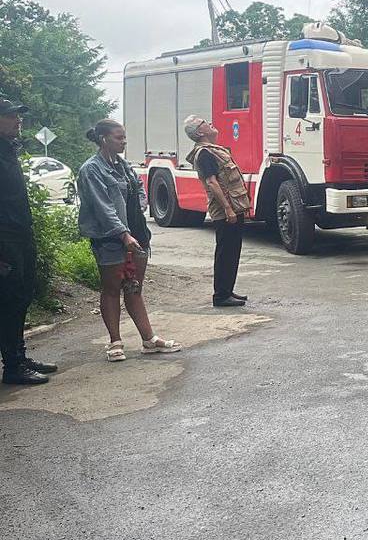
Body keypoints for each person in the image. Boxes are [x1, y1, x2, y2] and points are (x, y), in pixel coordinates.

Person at [77, 120, 181, 362]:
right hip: (111, 239)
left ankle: (149, 339)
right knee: (112, 289)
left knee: (134, 287)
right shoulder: (92, 170)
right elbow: (102, 207)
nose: (123, 141)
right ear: (104, 139)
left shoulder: (123, 166)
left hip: (138, 235)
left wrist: (140, 212)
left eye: (124, 137)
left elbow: (140, 190)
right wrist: (123, 234)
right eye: (118, 137)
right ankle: (115, 342)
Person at [0, 98, 57, 385]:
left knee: (21, 296)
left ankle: (19, 357)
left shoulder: (9, 150)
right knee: (9, 300)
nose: (17, 121)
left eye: (17, 116)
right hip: (4, 240)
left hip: (21, 235)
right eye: (10, 116)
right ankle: (12, 366)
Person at [182, 115, 250, 307]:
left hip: (233, 206)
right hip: (224, 209)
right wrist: (228, 209)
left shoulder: (214, 150)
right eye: (206, 123)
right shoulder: (204, 153)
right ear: (200, 132)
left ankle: (227, 291)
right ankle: (220, 296)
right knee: (225, 251)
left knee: (232, 250)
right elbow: (212, 182)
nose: (211, 124)